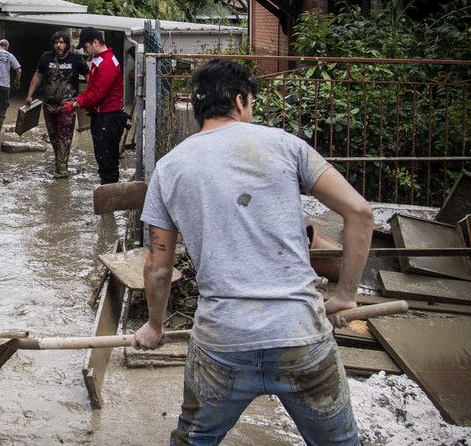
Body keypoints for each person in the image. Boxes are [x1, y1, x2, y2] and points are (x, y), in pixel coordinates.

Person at [133, 59, 373, 445]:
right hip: (301, 336)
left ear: (199, 110)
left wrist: (155, 326)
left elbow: (158, 269)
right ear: (241, 100)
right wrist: (345, 296)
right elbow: (360, 213)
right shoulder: (285, 145)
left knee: (193, 441)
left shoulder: (170, 167)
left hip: (221, 342)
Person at [61, 27, 126, 184]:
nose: (85, 50)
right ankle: (107, 199)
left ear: (95, 43)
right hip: (103, 116)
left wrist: (77, 103)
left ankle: (110, 203)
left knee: (108, 164)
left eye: (85, 46)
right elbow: (92, 88)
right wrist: (79, 98)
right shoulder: (99, 59)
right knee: (103, 160)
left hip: (109, 118)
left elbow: (98, 94)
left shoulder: (107, 62)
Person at [25, 31, 89, 178]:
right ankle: (59, 163)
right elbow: (37, 76)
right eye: (56, 42)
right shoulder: (46, 57)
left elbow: (89, 77)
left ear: (67, 44)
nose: (58, 45)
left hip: (68, 106)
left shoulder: (76, 59)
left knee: (64, 137)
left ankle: (62, 169)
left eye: (61, 42)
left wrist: (85, 97)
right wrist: (30, 94)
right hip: (49, 105)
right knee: (53, 138)